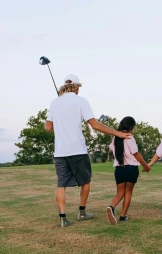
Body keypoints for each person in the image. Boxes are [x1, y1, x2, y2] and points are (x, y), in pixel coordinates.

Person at [45, 74, 129, 227]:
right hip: (77, 149)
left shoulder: (54, 103)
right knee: (86, 181)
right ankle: (82, 212)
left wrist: (59, 118)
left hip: (60, 152)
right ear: (76, 87)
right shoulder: (81, 101)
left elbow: (48, 127)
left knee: (61, 185)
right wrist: (117, 133)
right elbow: (95, 125)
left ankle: (63, 218)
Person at [106, 117, 151, 225]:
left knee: (120, 193)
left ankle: (111, 207)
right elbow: (136, 154)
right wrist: (146, 166)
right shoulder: (130, 138)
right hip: (131, 168)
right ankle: (122, 216)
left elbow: (111, 150)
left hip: (119, 169)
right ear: (131, 128)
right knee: (128, 192)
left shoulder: (115, 137)